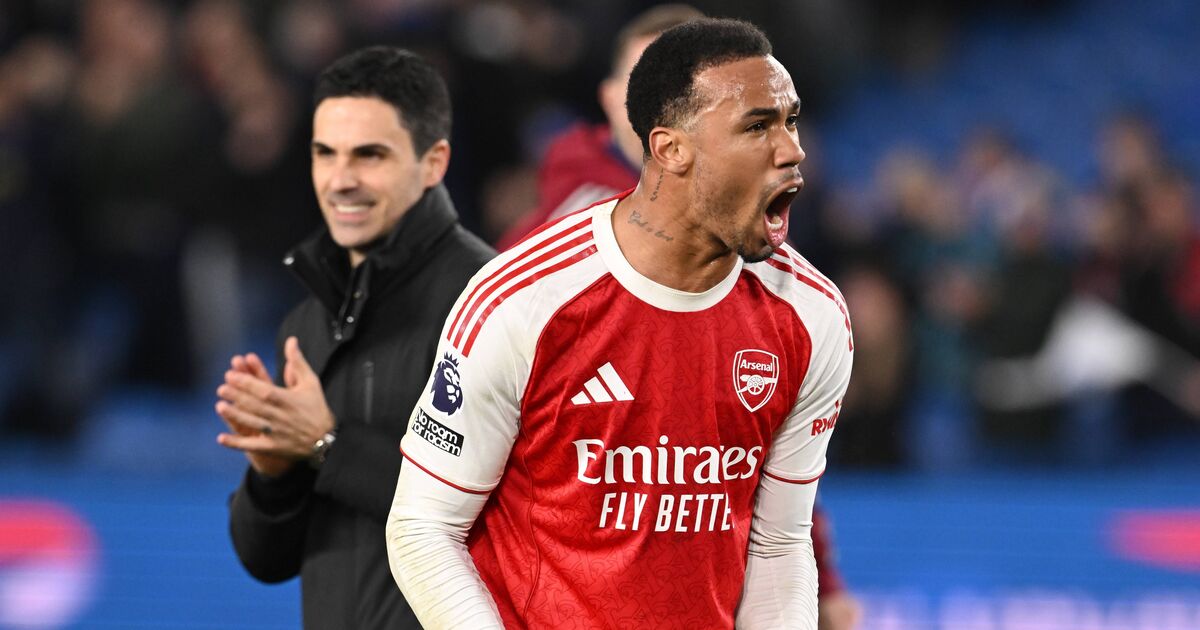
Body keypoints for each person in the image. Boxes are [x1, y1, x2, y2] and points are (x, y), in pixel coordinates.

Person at [387, 18, 854, 630]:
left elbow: (777, 543)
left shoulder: (812, 316)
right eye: (756, 126)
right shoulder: (523, 300)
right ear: (670, 149)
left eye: (791, 122)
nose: (792, 150)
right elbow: (424, 525)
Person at [213, 46, 494, 629]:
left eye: (370, 155)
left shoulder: (491, 303)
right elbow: (265, 561)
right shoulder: (306, 323)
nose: (340, 181)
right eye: (325, 154)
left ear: (434, 162)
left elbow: (503, 516)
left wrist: (326, 445)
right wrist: (274, 474)